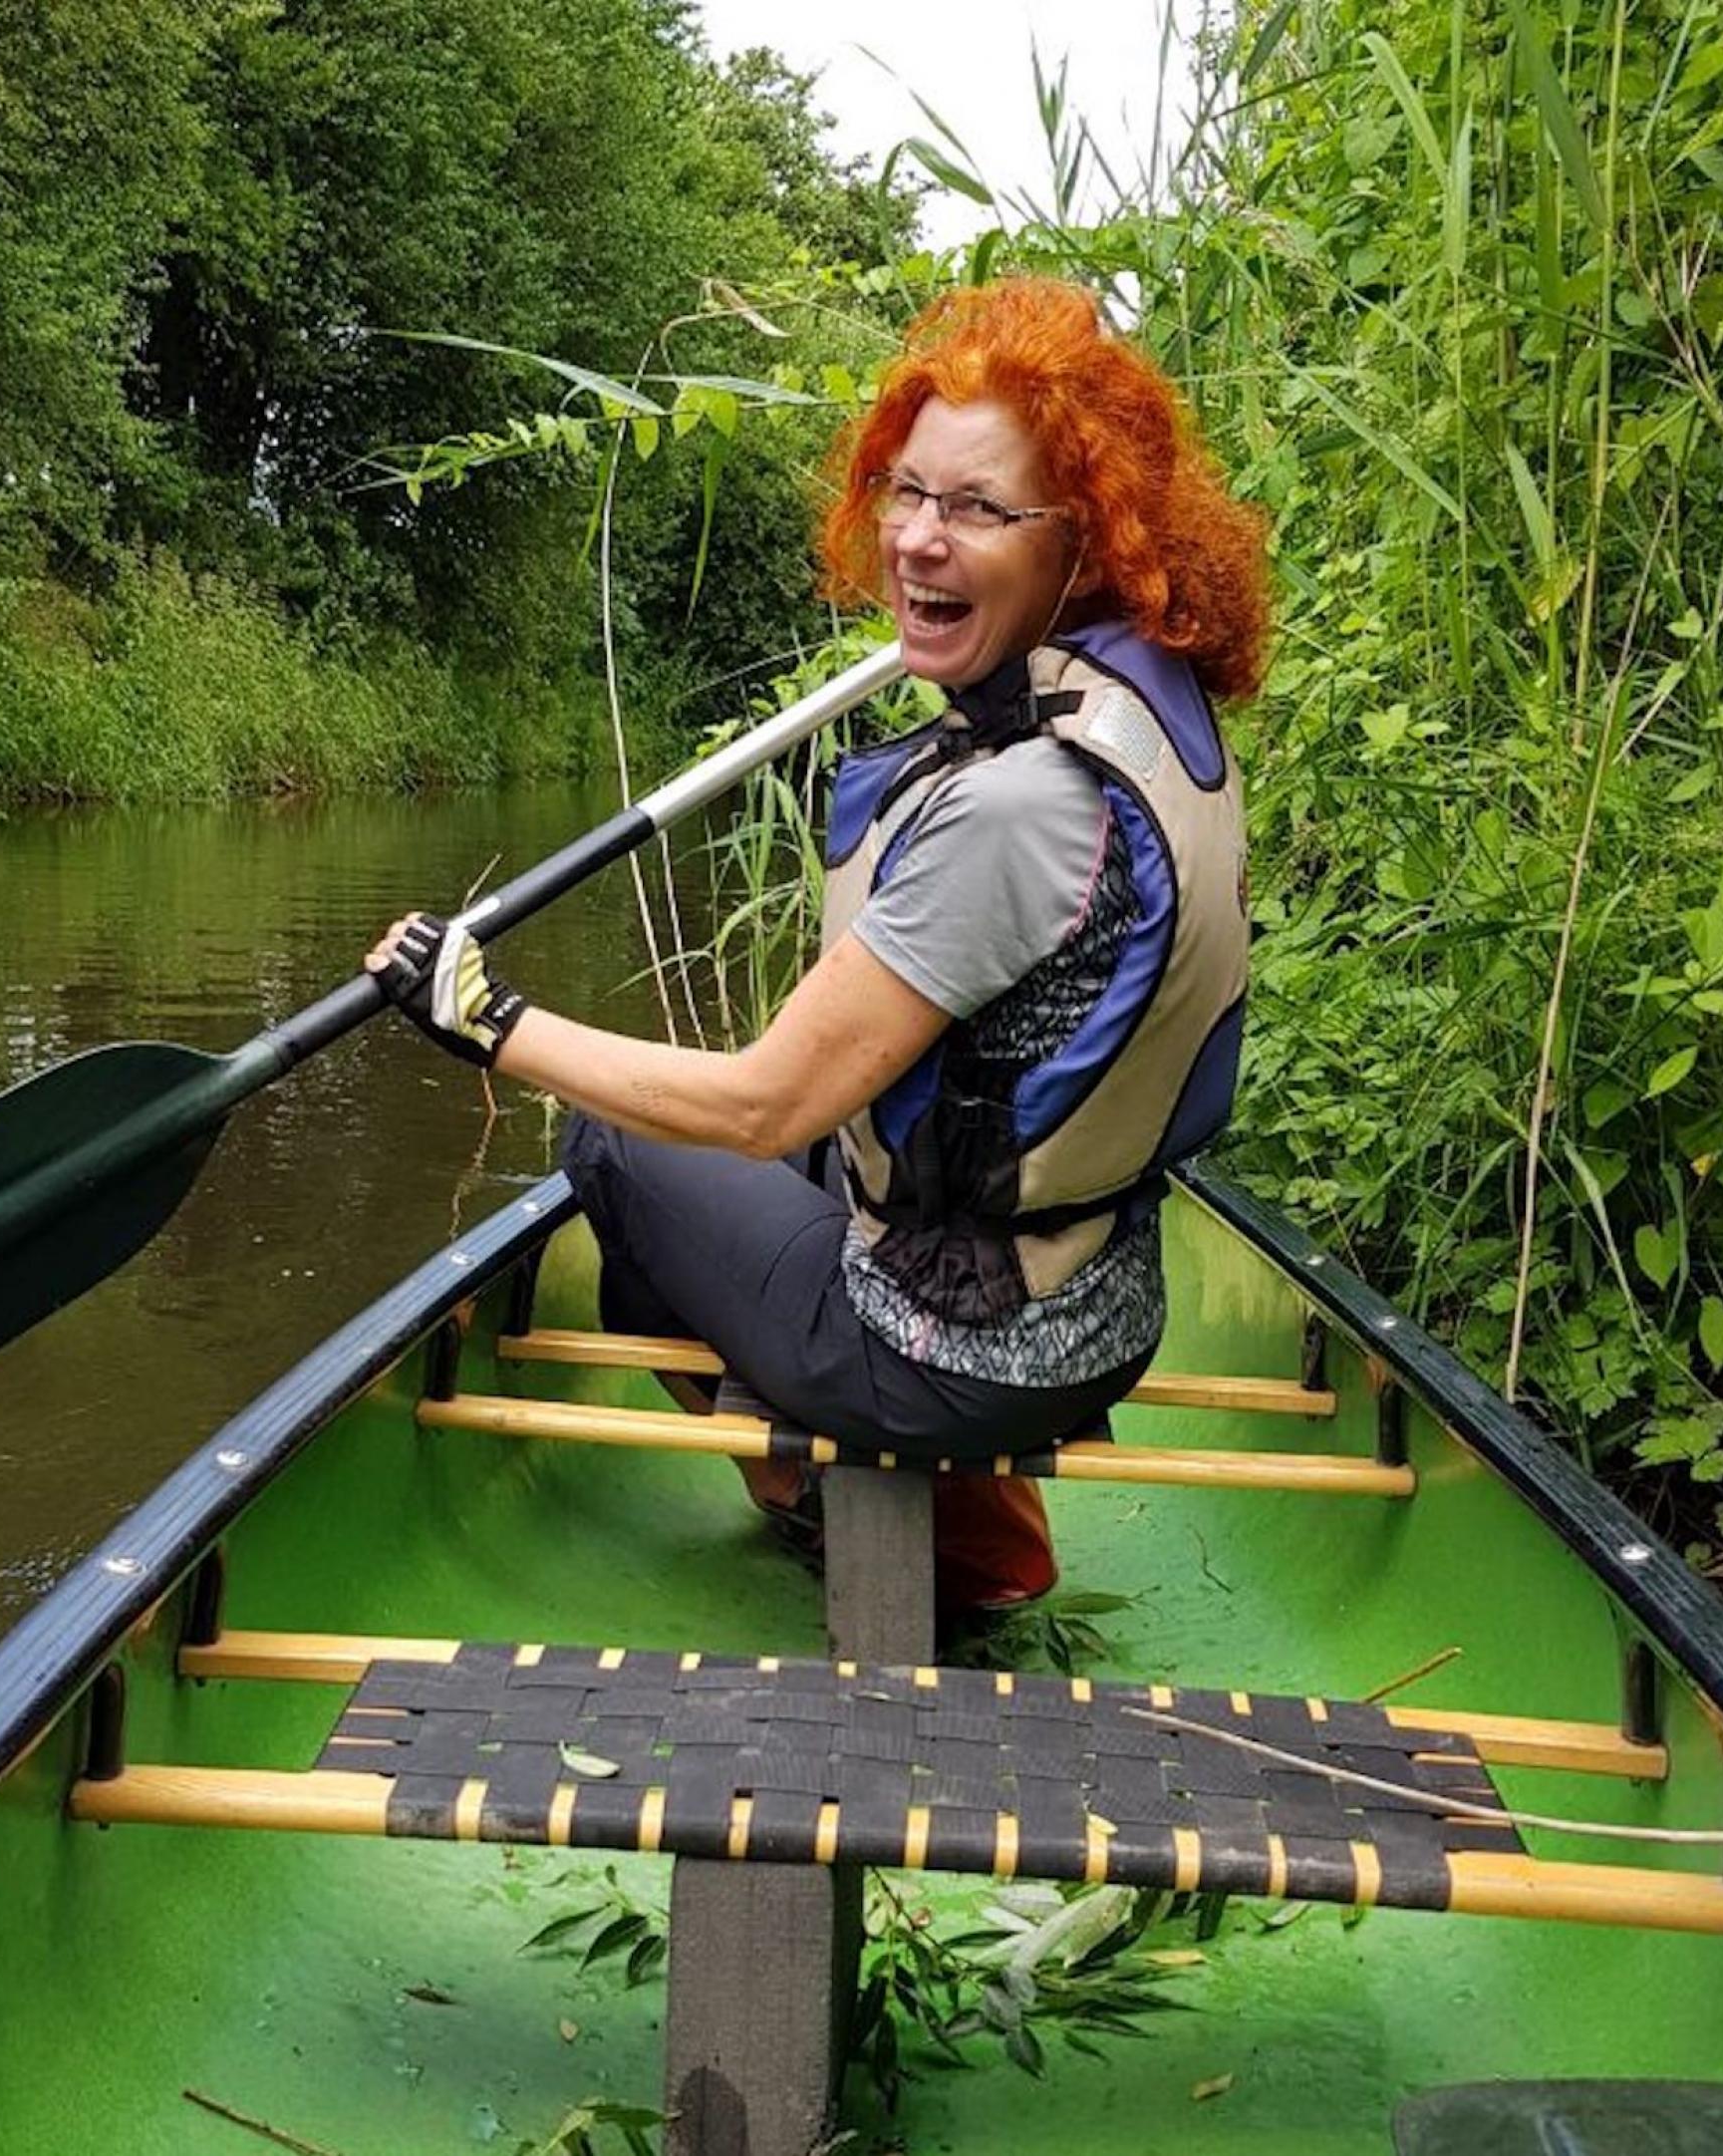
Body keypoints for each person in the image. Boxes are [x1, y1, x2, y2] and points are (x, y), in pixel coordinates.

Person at [366, 277, 1269, 1612]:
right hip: (1104, 1301)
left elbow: (758, 1101)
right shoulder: (1138, 704)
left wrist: (489, 1020)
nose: (915, 538)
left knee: (613, 1143)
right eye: (906, 493)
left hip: (961, 1358)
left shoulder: (1021, 805)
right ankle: (952, 1503)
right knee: (806, 1144)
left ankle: (905, 1522)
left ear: (1083, 550)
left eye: (976, 510)